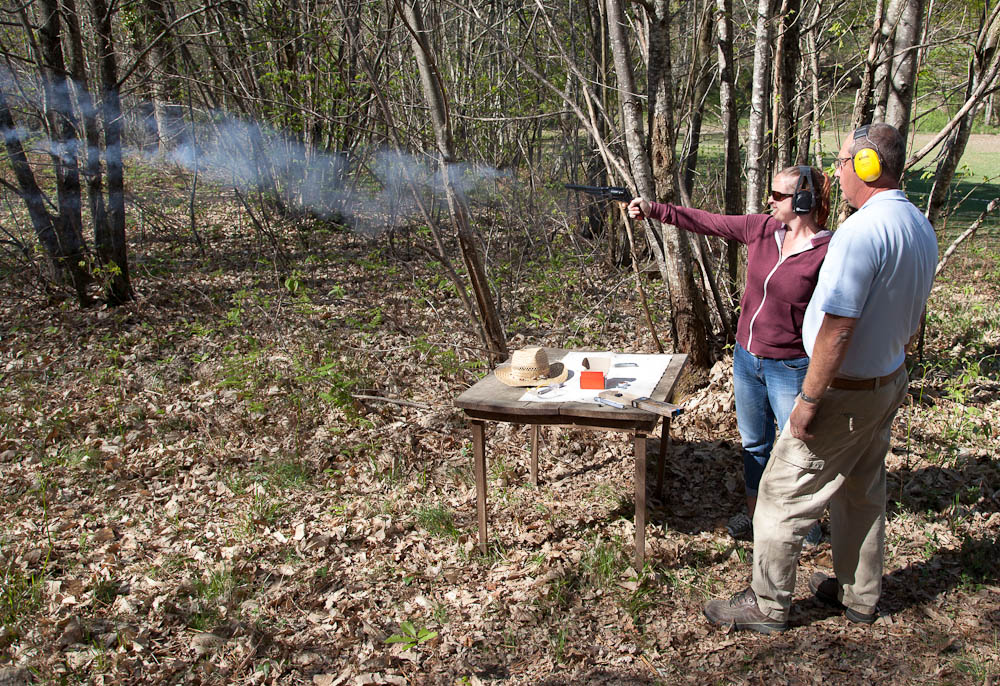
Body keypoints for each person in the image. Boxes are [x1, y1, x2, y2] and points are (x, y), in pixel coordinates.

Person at [703, 123, 938, 634]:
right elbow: (913, 318)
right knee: (861, 492)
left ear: (869, 167)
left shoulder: (858, 233)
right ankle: (858, 595)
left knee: (781, 494)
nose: (838, 170)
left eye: (846, 161)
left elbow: (837, 326)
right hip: (886, 380)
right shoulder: (918, 225)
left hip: (843, 390)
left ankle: (766, 604)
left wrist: (810, 398)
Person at [627, 166, 831, 544]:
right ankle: (756, 517)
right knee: (755, 445)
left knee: (796, 448)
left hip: (789, 366)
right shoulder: (762, 228)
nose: (770, 199)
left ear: (803, 202)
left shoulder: (827, 251)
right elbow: (707, 222)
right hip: (746, 359)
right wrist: (655, 209)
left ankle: (802, 523)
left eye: (779, 195)